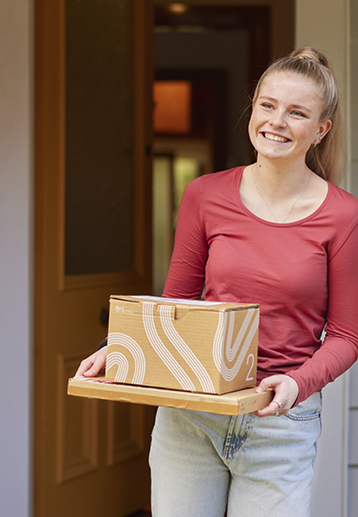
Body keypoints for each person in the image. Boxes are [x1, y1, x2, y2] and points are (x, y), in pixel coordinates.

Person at [76, 47, 358, 516]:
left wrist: (297, 383)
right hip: (192, 413)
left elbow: (347, 336)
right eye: (267, 105)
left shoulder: (343, 216)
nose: (276, 122)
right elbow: (178, 305)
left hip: (280, 424)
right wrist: (123, 349)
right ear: (253, 109)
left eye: (297, 113)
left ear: (320, 130)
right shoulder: (205, 195)